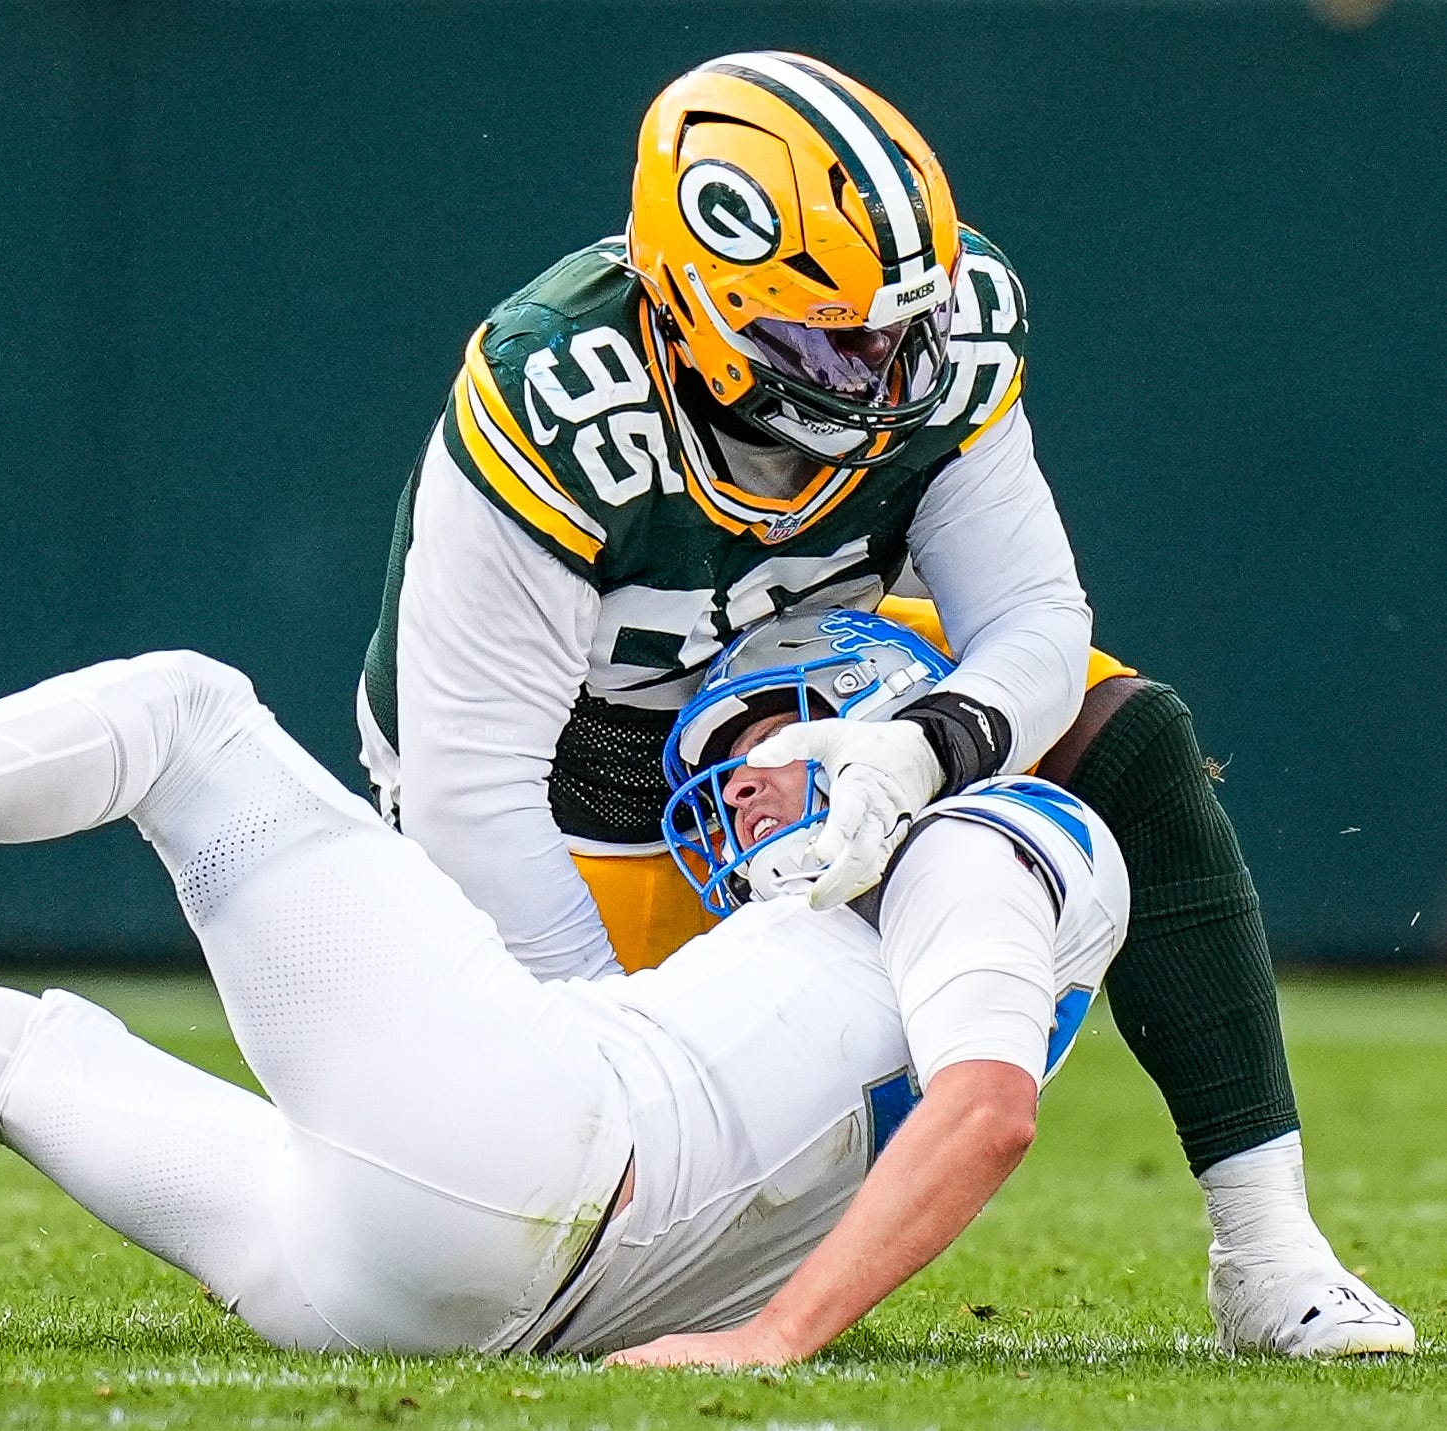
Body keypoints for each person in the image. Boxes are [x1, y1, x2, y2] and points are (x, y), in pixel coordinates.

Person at [0, 598, 1133, 1365]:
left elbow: (980, 1105)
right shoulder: (847, 942)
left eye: (772, 740)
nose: (726, 786)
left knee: (184, 716)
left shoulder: (995, 845)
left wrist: (770, 1344)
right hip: (435, 1284)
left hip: (558, 1159)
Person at [355, 50, 1402, 1356]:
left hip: (825, 677)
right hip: (585, 766)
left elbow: (1029, 621)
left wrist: (915, 754)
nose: (878, 375)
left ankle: (1268, 1252)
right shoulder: (559, 394)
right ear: (691, 302)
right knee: (559, 1191)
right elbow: (469, 783)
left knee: (1129, 739)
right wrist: (602, 1069)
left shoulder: (949, 344)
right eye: (825, 341)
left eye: (896, 331)